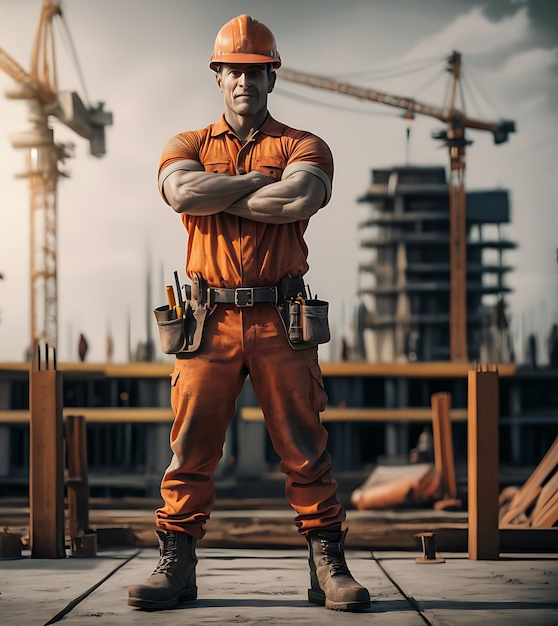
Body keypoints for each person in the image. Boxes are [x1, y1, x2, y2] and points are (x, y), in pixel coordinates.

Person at [127, 15, 370, 613]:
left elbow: (299, 197)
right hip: (207, 319)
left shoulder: (305, 145)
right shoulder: (183, 144)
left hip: (280, 318)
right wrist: (258, 183)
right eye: (234, 70)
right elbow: (182, 193)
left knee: (305, 446)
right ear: (217, 75)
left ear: (272, 76)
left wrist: (224, 188)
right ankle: (176, 565)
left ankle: (327, 567)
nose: (245, 81)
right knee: (190, 448)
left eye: (256, 71)